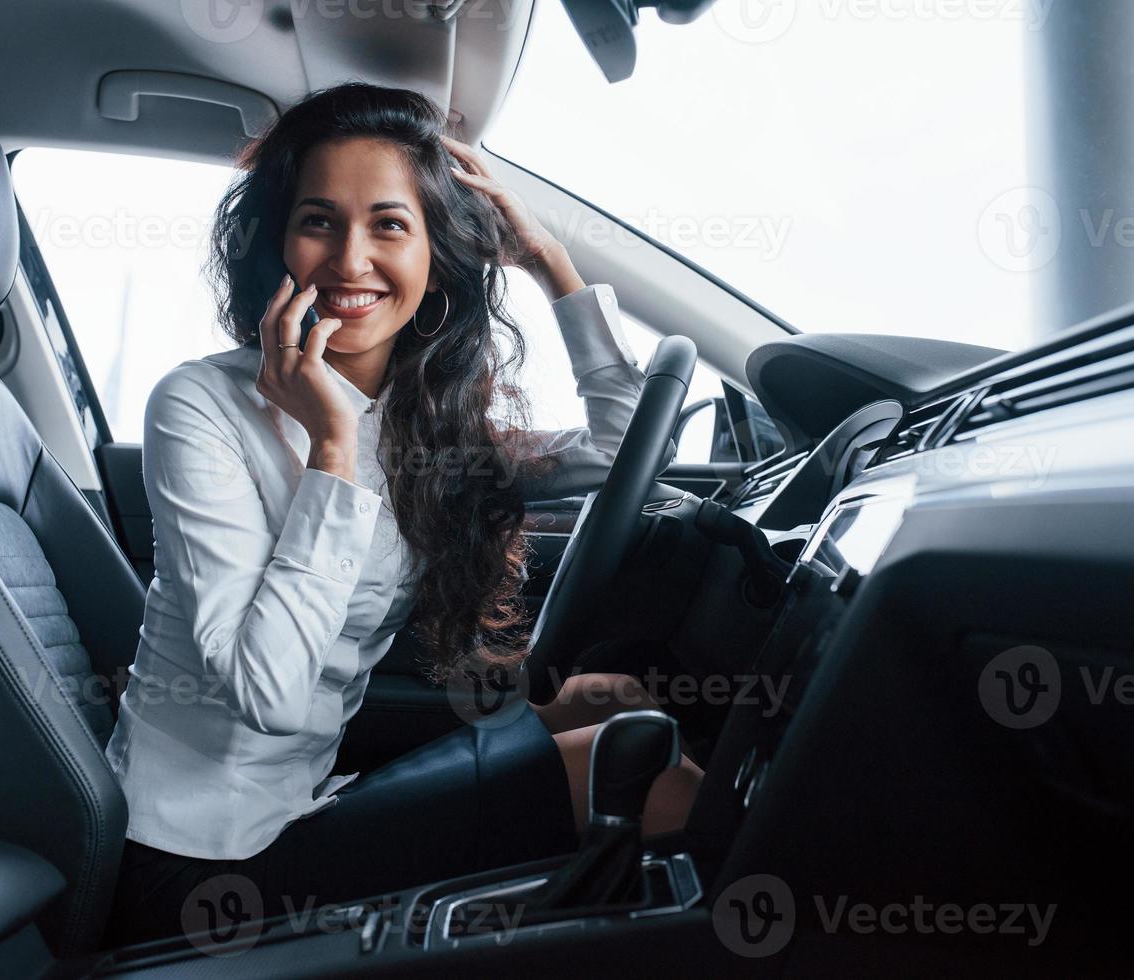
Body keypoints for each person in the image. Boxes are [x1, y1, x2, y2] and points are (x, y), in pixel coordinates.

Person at [103, 81, 704, 947]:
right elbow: (268, 692)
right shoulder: (199, 406)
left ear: (436, 257)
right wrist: (332, 449)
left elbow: (621, 451)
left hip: (306, 792)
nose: (350, 261)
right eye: (319, 221)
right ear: (278, 243)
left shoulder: (425, 418)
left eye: (389, 225)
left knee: (602, 699)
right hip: (203, 863)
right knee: (649, 777)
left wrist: (548, 266)